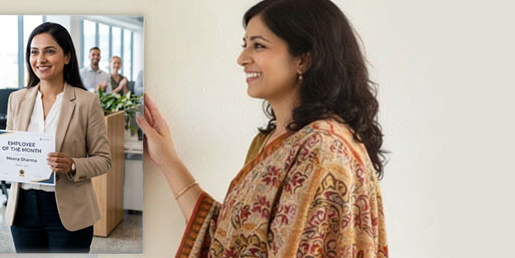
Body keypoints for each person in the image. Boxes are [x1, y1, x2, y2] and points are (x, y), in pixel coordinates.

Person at [136, 0, 389, 257]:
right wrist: (167, 158)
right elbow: (224, 237)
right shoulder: (274, 141)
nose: (242, 59)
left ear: (304, 59)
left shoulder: (323, 150)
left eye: (258, 45)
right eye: (245, 45)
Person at [0, 22, 111, 253]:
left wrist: (72, 164)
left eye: (49, 51)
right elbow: (10, 151)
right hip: (23, 209)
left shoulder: (86, 102)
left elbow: (104, 159)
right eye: (34, 52)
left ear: (67, 57)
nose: (40, 59)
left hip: (69, 211)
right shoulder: (17, 99)